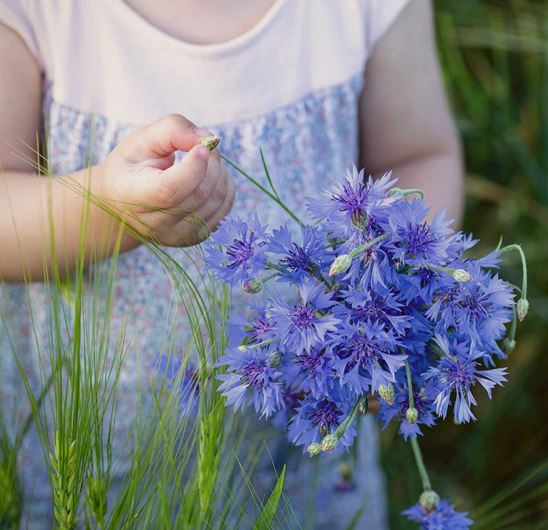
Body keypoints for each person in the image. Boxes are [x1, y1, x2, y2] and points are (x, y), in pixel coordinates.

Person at [0, 0, 462, 527]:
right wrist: (114, 210)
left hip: (314, 462)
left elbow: (420, 155)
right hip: (92, 471)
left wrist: (393, 308)